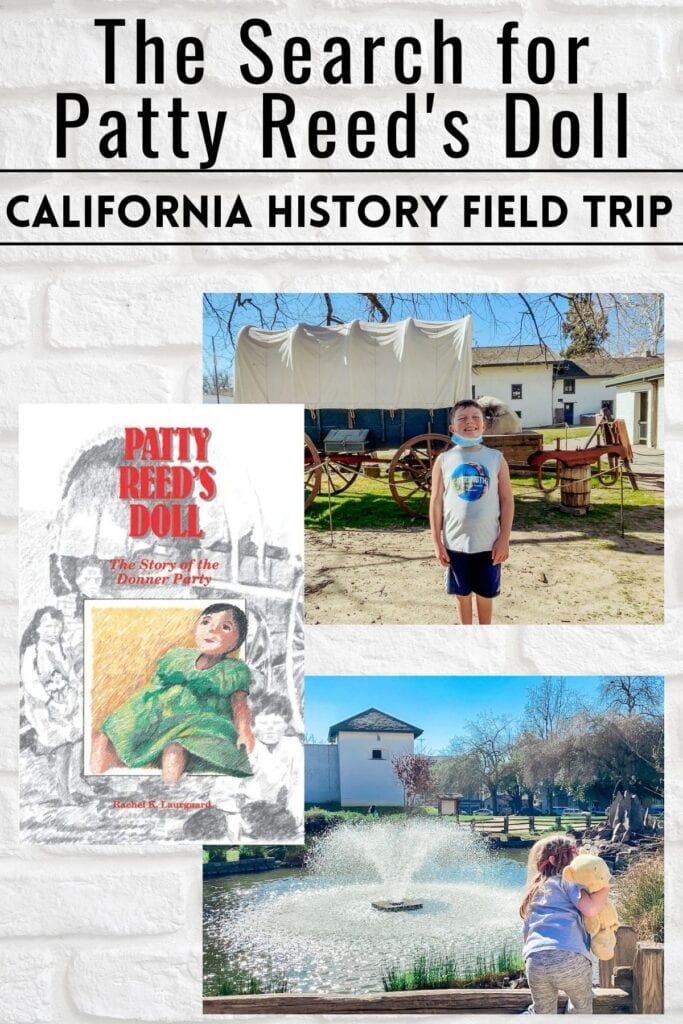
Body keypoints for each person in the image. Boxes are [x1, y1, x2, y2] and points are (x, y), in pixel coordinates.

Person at [90, 603, 256, 783]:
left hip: (202, 722)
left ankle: (169, 792)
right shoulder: (178, 657)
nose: (213, 629)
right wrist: (137, 713)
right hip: (164, 716)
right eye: (206, 622)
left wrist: (244, 731)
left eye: (225, 627)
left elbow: (240, 706)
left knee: (175, 748)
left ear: (237, 640)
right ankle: (96, 781)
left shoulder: (233, 671)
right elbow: (154, 688)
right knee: (109, 733)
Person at [430, 399, 514, 625]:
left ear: (484, 426)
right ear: (452, 428)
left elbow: (507, 500)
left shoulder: (496, 458)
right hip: (455, 544)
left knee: (486, 596)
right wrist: (437, 543)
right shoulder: (444, 460)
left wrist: (504, 539)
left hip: (489, 544)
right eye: (463, 418)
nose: (470, 422)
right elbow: (436, 501)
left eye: (476, 417)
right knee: (462, 595)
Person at [520, 835, 610, 1014]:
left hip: (535, 960)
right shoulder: (569, 882)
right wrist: (604, 886)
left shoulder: (535, 891)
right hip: (571, 958)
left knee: (543, 1012)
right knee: (581, 1008)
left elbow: (526, 936)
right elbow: (591, 910)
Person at [20, 606, 87, 803]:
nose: (54, 631)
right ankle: (63, 792)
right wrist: (50, 702)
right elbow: (31, 682)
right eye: (48, 626)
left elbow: (73, 677)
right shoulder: (32, 651)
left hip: (67, 703)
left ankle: (76, 782)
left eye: (57, 626)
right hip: (43, 706)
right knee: (63, 744)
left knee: (79, 737)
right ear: (38, 628)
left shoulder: (63, 649)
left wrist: (73, 697)